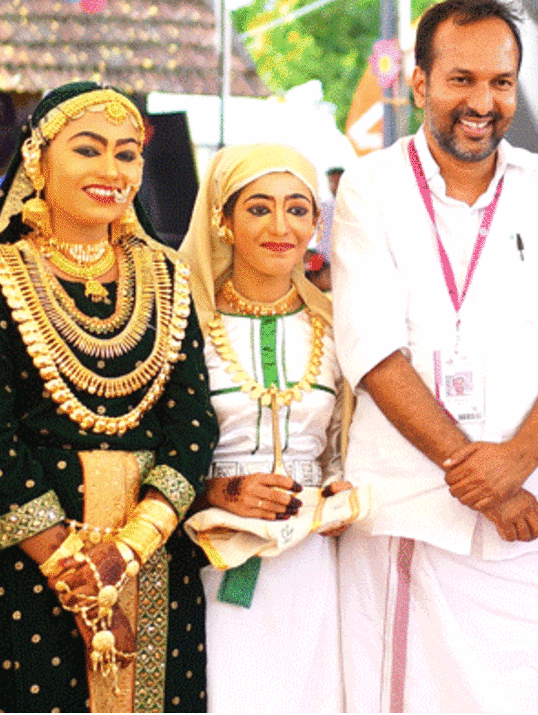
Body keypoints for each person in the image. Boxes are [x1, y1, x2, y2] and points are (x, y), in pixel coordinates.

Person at [330, 0, 538, 711]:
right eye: (462, 79)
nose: (482, 101)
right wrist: (474, 470)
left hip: (530, 520)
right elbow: (374, 352)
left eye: (501, 82)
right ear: (419, 83)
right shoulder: (371, 186)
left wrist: (514, 465)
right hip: (410, 513)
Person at [0, 82, 215, 712]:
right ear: (40, 161)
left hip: (151, 554)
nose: (110, 170)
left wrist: (126, 550)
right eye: (88, 150)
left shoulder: (167, 273)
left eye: (127, 154)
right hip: (33, 564)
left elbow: (194, 425)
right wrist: (76, 574)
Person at [180, 143, 350, 712]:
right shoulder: (184, 326)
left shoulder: (338, 326)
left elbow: (347, 444)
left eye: (298, 209)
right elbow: (153, 449)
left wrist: (341, 487)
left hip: (313, 565)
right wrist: (216, 490)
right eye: (258, 208)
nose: (281, 226)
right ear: (221, 221)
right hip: (206, 557)